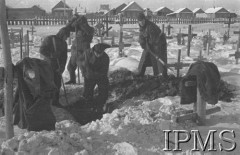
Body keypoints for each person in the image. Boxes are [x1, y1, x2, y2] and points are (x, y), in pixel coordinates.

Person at [39, 27, 70, 107]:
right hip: (47, 65)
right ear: (62, 34)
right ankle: (46, 102)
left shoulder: (64, 43)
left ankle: (55, 102)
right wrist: (51, 55)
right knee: (48, 84)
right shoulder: (49, 39)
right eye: (66, 36)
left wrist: (62, 67)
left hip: (58, 67)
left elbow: (64, 57)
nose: (66, 38)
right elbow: (42, 50)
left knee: (57, 84)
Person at [78, 43, 111, 113]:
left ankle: (100, 105)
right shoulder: (87, 53)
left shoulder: (106, 58)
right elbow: (79, 61)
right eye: (97, 53)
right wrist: (83, 71)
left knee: (104, 90)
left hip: (100, 75)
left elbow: (104, 72)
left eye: (101, 53)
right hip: (89, 75)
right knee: (87, 92)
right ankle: (88, 106)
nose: (99, 55)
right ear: (94, 51)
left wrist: (97, 76)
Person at [136, 12, 168, 78]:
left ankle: (161, 75)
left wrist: (148, 45)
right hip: (151, 45)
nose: (141, 22)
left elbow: (154, 39)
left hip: (159, 45)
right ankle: (140, 73)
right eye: (140, 21)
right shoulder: (142, 28)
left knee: (157, 59)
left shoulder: (150, 27)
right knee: (144, 56)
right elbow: (141, 38)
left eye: (142, 20)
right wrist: (143, 44)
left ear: (144, 20)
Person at [65, 15, 95, 84]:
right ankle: (72, 80)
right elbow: (67, 27)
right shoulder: (77, 28)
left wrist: (80, 23)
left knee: (84, 68)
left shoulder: (90, 29)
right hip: (75, 50)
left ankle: (88, 82)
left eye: (82, 22)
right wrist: (72, 20)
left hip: (83, 51)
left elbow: (87, 31)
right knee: (70, 67)